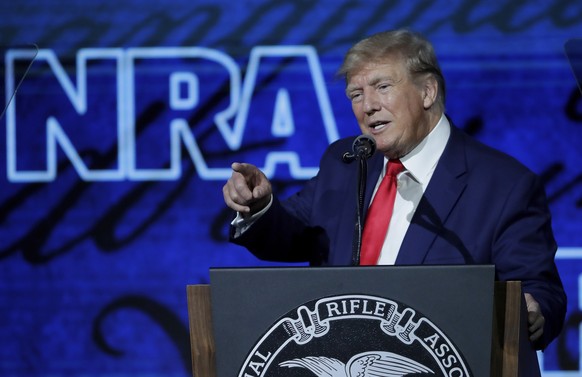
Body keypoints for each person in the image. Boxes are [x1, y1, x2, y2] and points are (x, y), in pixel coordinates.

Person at [222, 29, 566, 350]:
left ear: (427, 91)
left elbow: (539, 290)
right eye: (356, 94)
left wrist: (533, 314)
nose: (367, 106)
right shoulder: (345, 163)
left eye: (382, 87)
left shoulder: (503, 185)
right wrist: (260, 207)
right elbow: (291, 234)